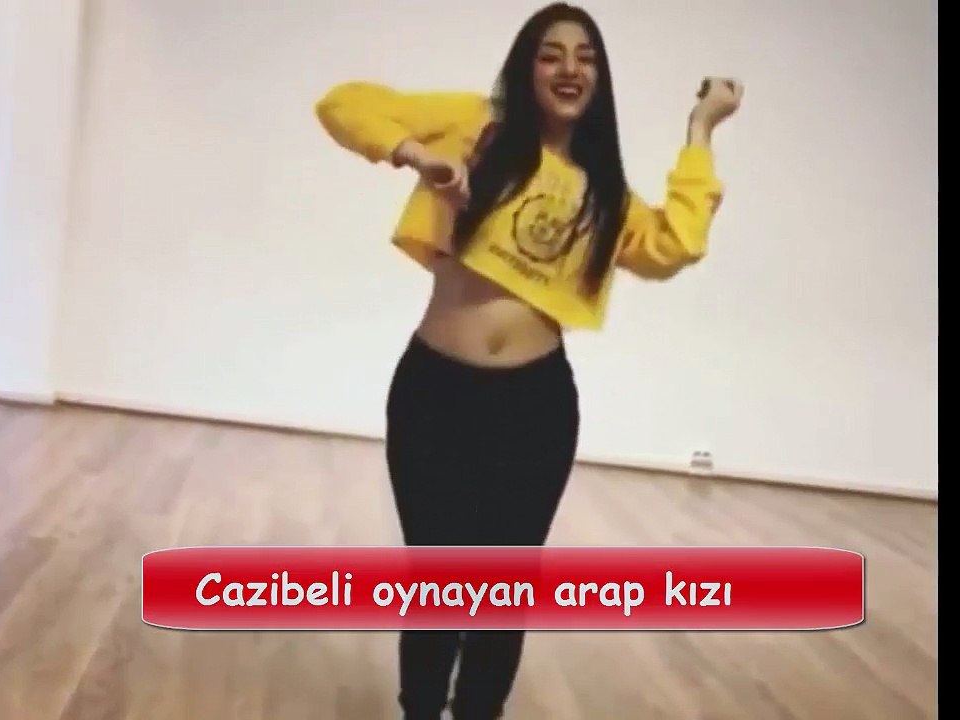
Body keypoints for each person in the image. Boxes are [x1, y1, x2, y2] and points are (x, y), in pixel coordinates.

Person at [314, 2, 741, 718]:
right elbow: (343, 104)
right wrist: (417, 155)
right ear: (526, 67)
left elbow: (676, 244)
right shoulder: (474, 127)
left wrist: (700, 131)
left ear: (599, 79)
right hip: (435, 395)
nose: (570, 69)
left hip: (535, 409)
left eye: (586, 57)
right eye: (551, 54)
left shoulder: (605, 194)